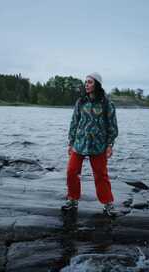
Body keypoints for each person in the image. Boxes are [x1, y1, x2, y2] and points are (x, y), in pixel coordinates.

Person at [61, 72, 119, 216]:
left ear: (97, 84)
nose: (86, 85)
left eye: (90, 82)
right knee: (71, 171)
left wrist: (110, 145)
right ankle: (72, 200)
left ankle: (108, 204)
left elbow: (112, 125)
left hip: (98, 144)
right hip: (79, 143)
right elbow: (74, 122)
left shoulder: (107, 103)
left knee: (101, 175)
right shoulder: (80, 102)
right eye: (85, 82)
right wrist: (70, 142)